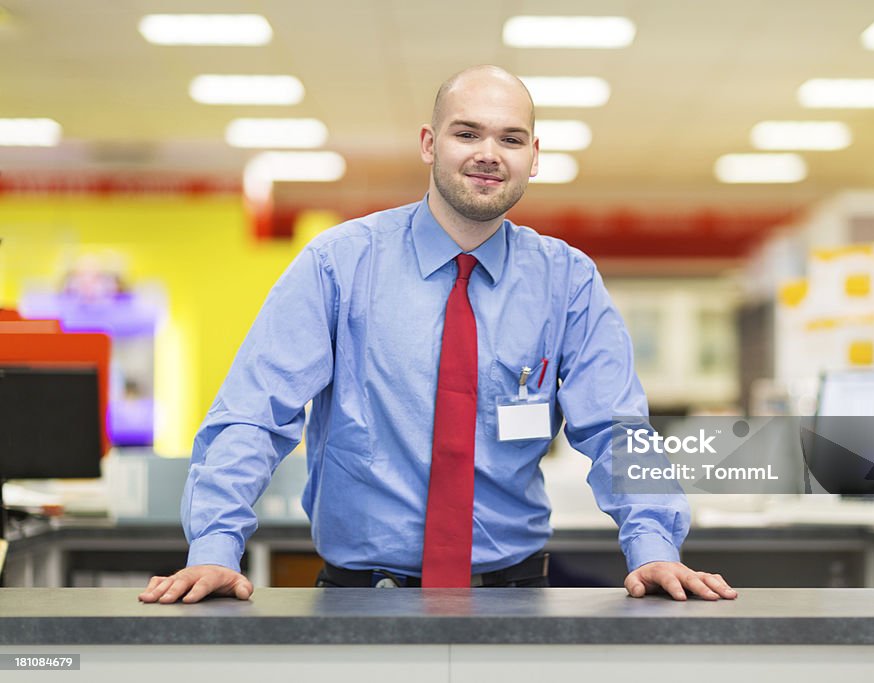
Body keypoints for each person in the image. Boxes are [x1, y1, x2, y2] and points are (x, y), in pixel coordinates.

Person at [139, 65, 736, 604]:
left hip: (516, 596)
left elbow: (617, 430)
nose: (489, 154)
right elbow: (253, 415)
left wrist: (654, 545)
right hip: (363, 599)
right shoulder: (339, 265)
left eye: (511, 138)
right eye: (467, 133)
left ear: (534, 155)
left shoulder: (567, 280)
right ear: (430, 144)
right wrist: (215, 548)